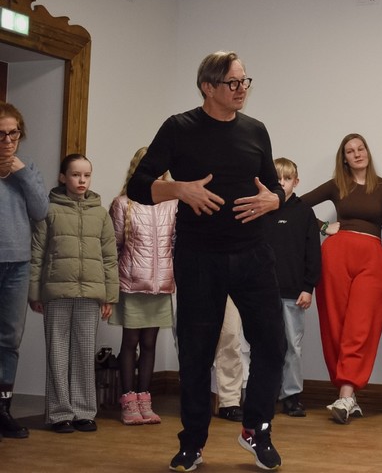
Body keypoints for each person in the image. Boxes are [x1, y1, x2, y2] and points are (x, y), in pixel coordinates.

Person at [126, 51, 287, 472]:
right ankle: (192, 443)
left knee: (273, 345)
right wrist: (179, 189)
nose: (241, 89)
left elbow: (273, 187)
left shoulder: (256, 130)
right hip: (199, 257)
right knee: (196, 354)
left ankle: (257, 429)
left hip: (253, 254)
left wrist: (275, 199)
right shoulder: (178, 128)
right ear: (207, 87)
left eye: (245, 81)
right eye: (233, 83)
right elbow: (138, 185)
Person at [301, 133, 382, 424]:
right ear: (344, 158)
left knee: (360, 326)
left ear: (367, 151)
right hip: (335, 256)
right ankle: (347, 396)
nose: (357, 154)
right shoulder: (337, 185)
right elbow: (297, 205)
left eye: (360, 148)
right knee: (335, 323)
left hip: (372, 258)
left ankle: (345, 393)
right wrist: (323, 227)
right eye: (350, 151)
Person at [29, 154, 119, 434]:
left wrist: (109, 295)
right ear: (63, 177)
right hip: (57, 293)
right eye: (75, 174)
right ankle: (59, 413)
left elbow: (109, 257)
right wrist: (35, 292)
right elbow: (37, 253)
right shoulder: (49, 210)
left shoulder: (100, 213)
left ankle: (83, 412)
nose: (82, 180)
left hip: (90, 295)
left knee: (83, 353)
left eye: (86, 175)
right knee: (57, 353)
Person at [109, 147, 178, 425]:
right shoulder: (122, 203)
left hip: (161, 286)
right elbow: (114, 246)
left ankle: (144, 399)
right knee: (130, 343)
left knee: (150, 343)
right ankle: (128, 400)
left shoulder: (172, 203)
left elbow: (176, 244)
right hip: (132, 284)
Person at [0, 102, 48, 440]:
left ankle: (3, 410)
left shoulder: (26, 169)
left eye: (13, 134)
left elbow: (41, 210)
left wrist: (22, 173)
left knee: (9, 339)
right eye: (1, 135)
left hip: (18, 264)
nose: (7, 141)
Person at [263, 157, 321, 418]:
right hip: (262, 292)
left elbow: (313, 253)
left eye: (287, 179)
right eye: (277, 179)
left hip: (293, 293)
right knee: (263, 345)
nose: (282, 183)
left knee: (292, 346)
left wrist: (308, 287)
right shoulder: (261, 210)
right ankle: (264, 393)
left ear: (296, 182)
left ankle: (292, 395)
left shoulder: (304, 212)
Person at [213, 297, 245, 422]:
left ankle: (229, 401)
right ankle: (193, 399)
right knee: (197, 340)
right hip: (197, 288)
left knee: (230, 338)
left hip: (232, 289)